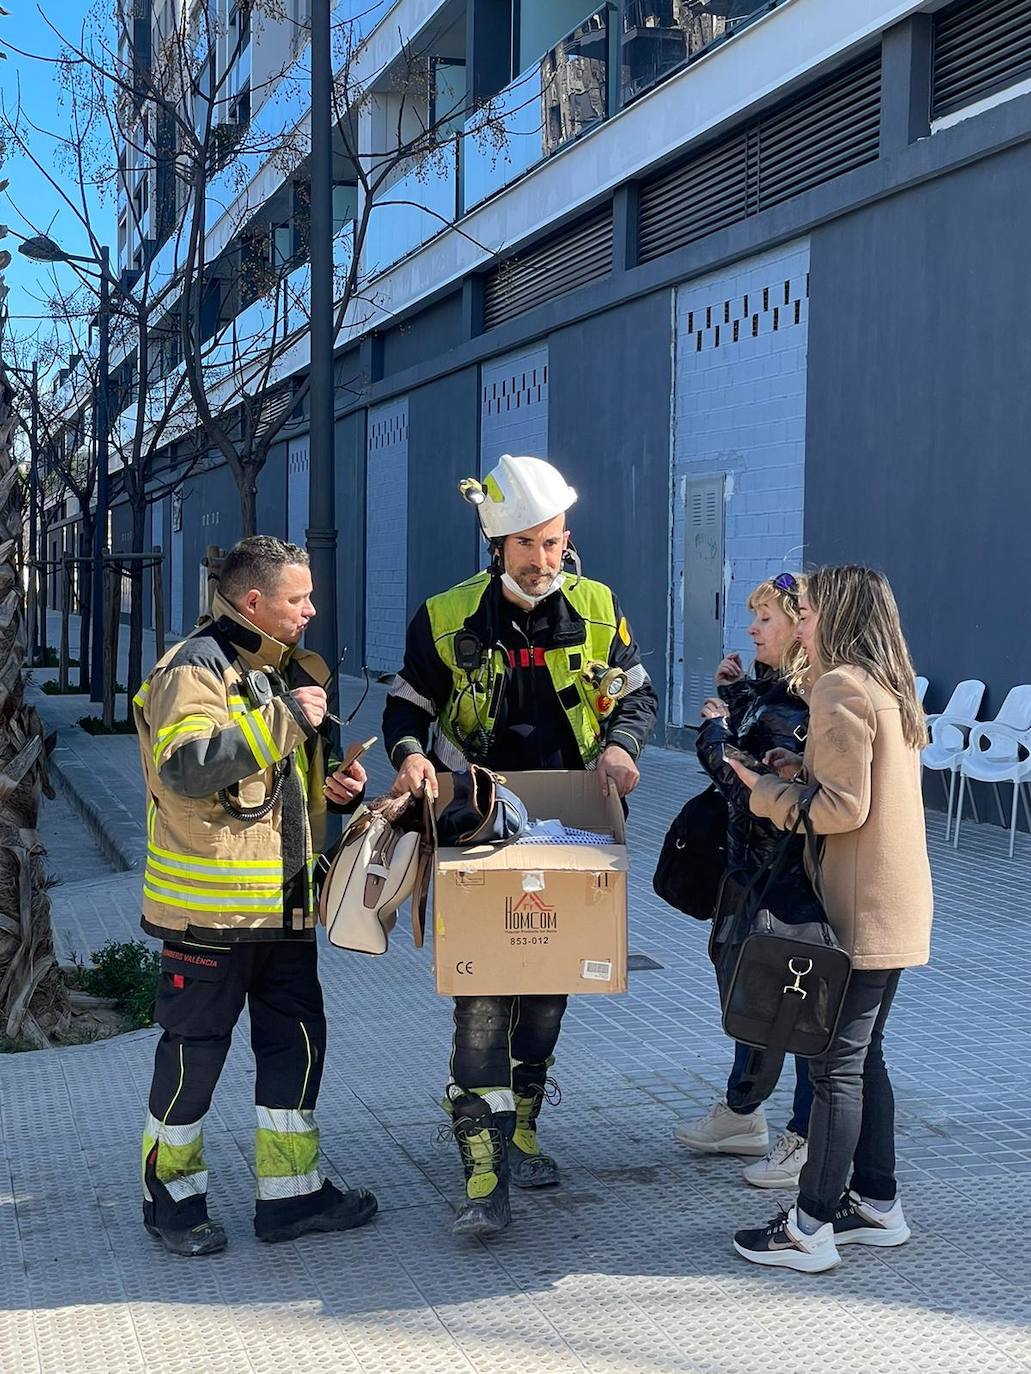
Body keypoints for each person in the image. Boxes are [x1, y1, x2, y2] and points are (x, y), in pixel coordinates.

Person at [383, 453, 658, 1237]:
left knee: (545, 991)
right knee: (481, 1000)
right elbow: (405, 708)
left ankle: (524, 1125)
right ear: (497, 546)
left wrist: (623, 747)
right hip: (478, 816)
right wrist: (409, 756)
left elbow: (634, 697)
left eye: (554, 543)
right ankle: (482, 1168)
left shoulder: (600, 609)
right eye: (529, 546)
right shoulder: (445, 618)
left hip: (573, 815)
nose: (545, 561)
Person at [134, 535, 378, 1256]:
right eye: (298, 598)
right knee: (194, 1056)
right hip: (208, 917)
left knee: (295, 1048)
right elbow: (184, 769)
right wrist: (285, 720)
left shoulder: (286, 668)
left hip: (285, 909)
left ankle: (291, 1199)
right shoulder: (193, 669)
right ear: (254, 603)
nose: (311, 609)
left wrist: (336, 786)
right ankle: (172, 1203)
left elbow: (284, 781)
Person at [726, 565, 932, 1273]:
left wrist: (763, 789)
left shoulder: (842, 685)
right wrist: (798, 766)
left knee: (833, 1067)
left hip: (857, 911)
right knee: (861, 1056)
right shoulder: (887, 686)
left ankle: (809, 1228)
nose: (799, 621)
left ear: (838, 614)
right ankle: (875, 1205)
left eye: (807, 610)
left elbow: (845, 809)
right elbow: (854, 783)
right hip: (890, 904)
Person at [673, 573, 814, 1188]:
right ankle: (741, 1112)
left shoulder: (803, 708)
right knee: (745, 996)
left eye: (766, 619)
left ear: (803, 631)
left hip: (782, 879)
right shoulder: (775, 691)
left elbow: (745, 780)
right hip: (749, 873)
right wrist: (735, 694)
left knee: (796, 1010)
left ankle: (804, 1137)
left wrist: (712, 728)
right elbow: (757, 730)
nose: (752, 629)